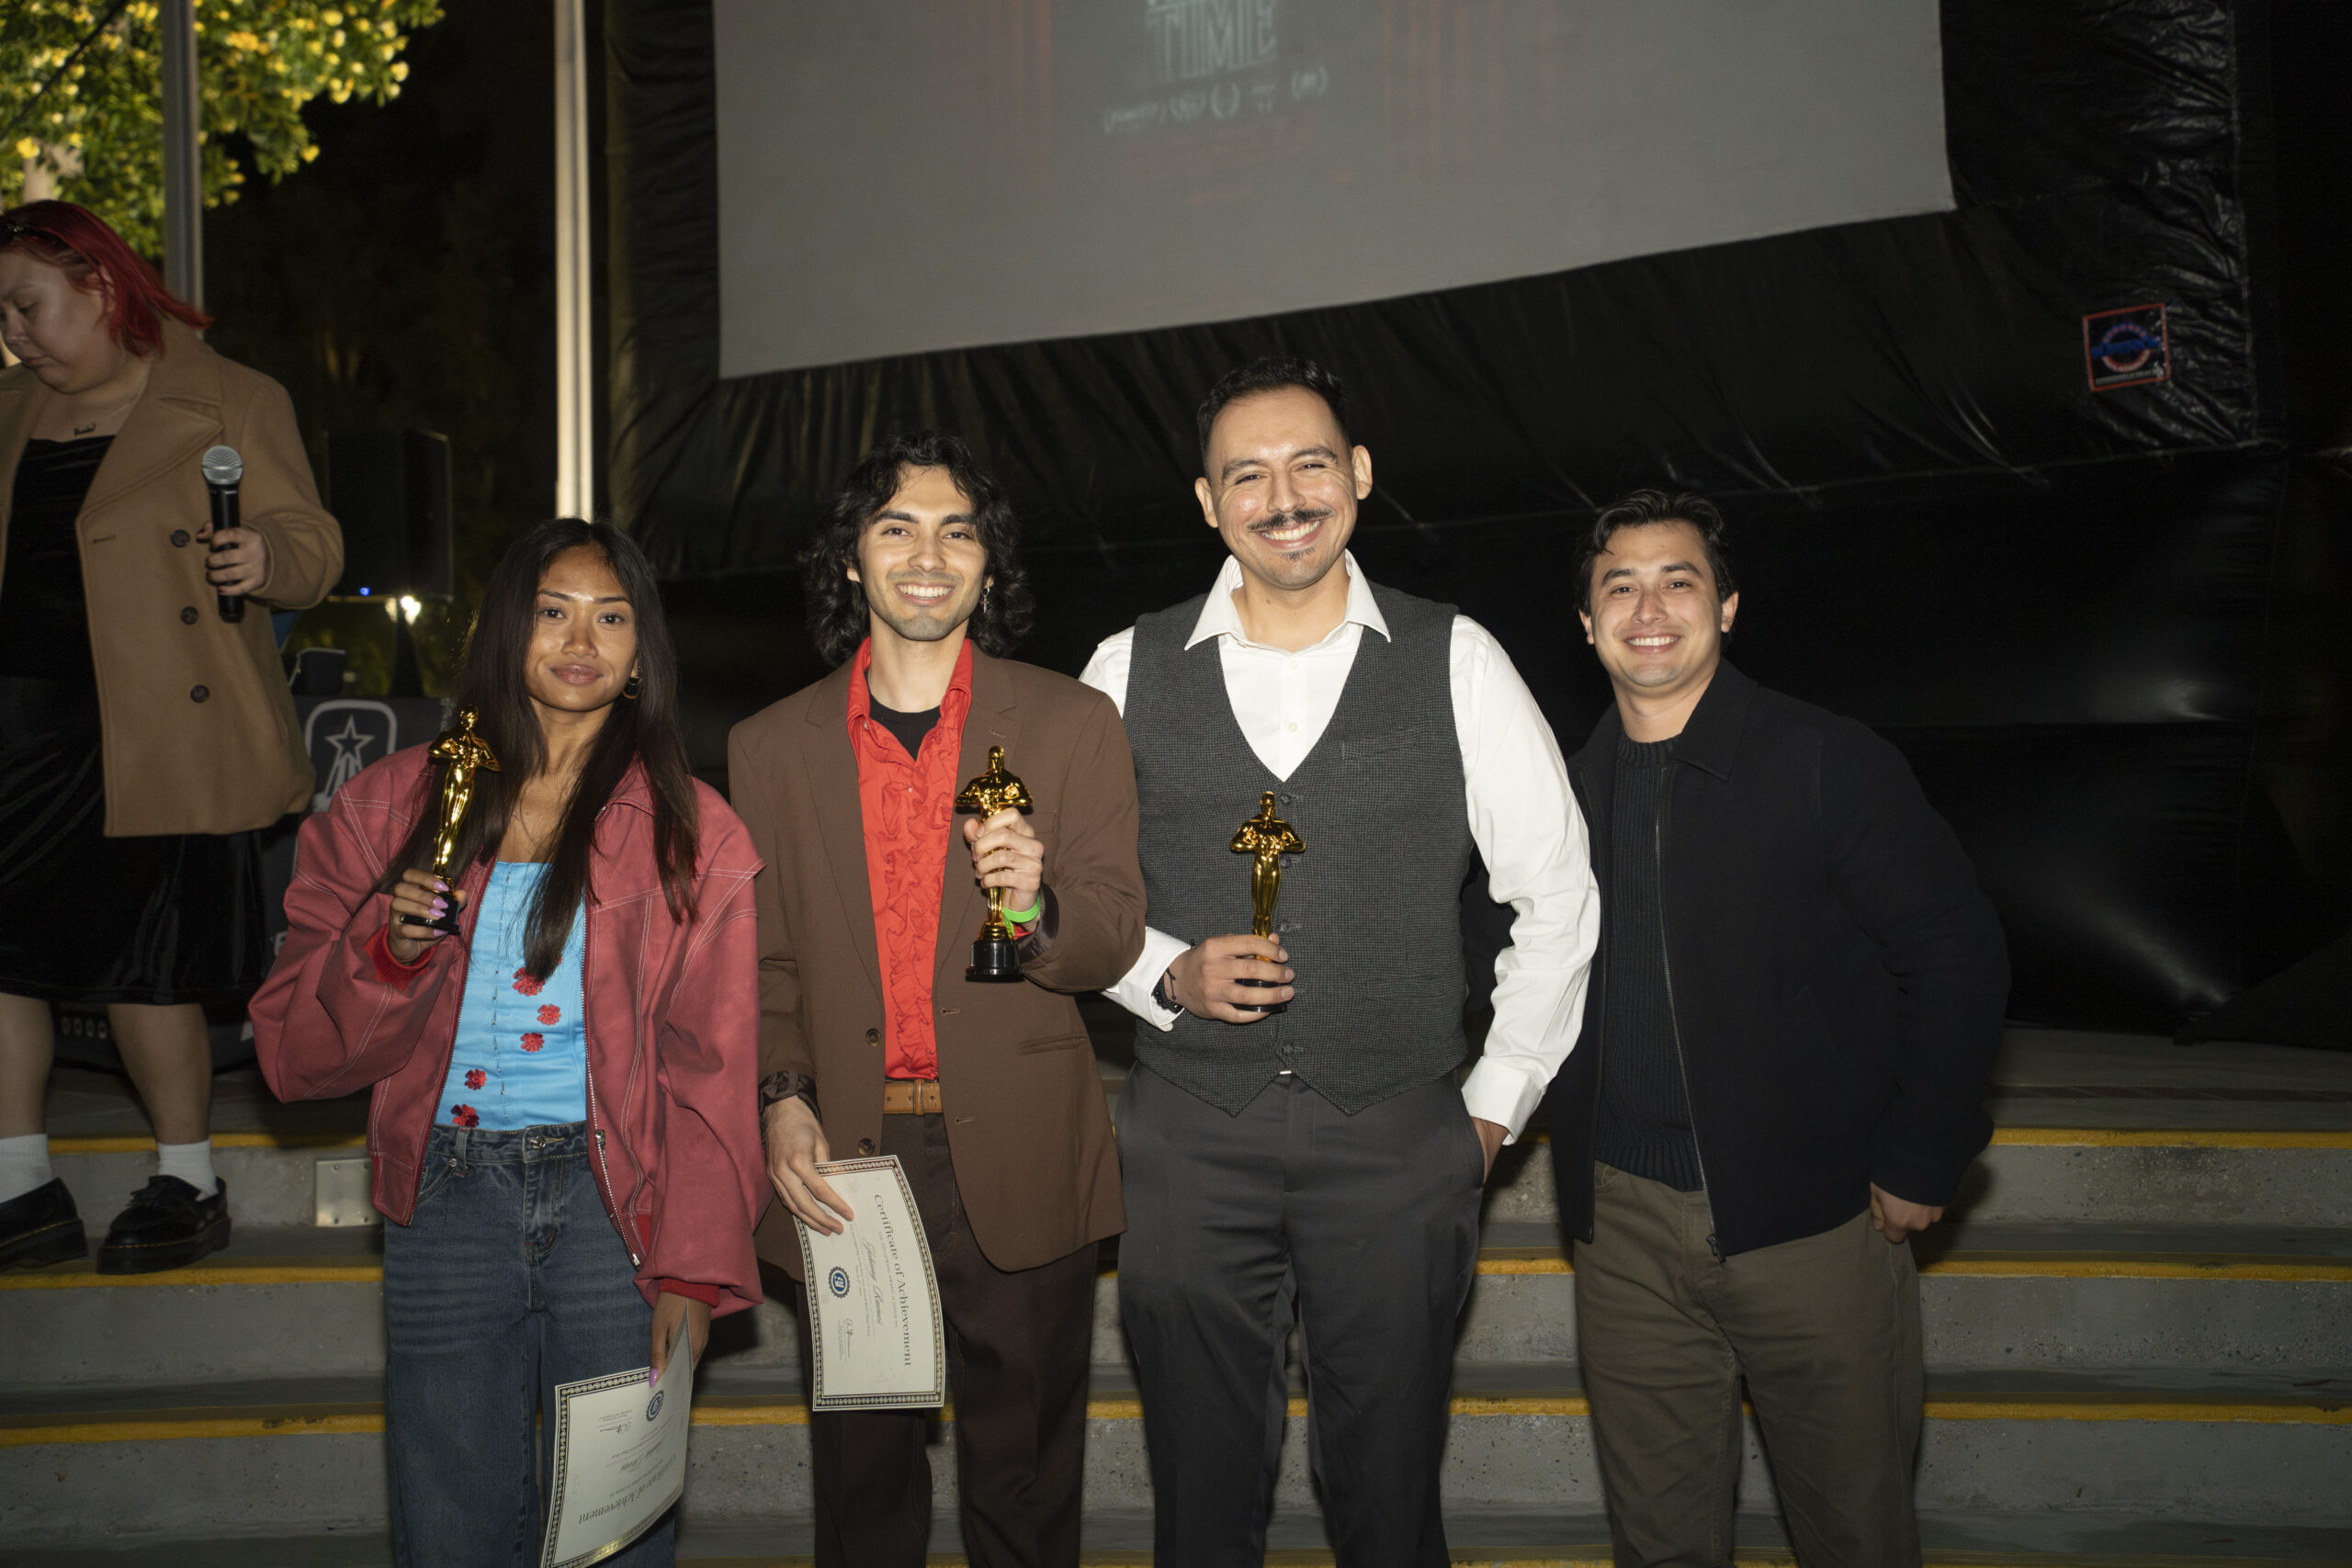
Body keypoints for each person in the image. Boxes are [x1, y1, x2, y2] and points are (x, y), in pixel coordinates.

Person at [1081, 357, 1600, 1565]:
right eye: (1246, 473)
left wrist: (1491, 1105)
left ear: (1359, 476)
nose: (1284, 495)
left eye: (1310, 462)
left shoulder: (1455, 655)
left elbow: (1558, 888)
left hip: (1399, 1135)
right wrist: (1162, 972)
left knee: (1388, 1490)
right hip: (1189, 1136)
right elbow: (1045, 892)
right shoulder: (1126, 666)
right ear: (1208, 504)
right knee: (1200, 1502)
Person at [250, 520, 766, 1567]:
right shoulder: (391, 802)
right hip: (444, 1199)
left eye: (611, 617)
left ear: (639, 655)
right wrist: (385, 956)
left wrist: (694, 1268)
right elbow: (293, 1054)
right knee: (452, 1526)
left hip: (613, 1207)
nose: (583, 637)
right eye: (553, 609)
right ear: (503, 629)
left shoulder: (692, 829)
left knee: (612, 1533)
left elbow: (713, 1067)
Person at [1541, 490, 2008, 1567]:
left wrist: (1921, 1151)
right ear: (1585, 624)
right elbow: (1493, 965)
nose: (1647, 606)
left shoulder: (1825, 761)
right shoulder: (1558, 793)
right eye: (1619, 585)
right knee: (1659, 1546)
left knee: (1854, 1534)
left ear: (1729, 607)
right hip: (1622, 1235)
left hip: (1817, 1225)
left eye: (1679, 580)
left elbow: (1955, 952)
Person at [729, 433, 1145, 1567]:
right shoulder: (768, 748)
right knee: (864, 1493)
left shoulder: (1070, 724)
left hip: (1017, 1150)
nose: (928, 553)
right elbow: (763, 965)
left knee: (1025, 1483)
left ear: (989, 566)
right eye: (896, 527)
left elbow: (1109, 936)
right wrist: (781, 1097)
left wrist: (1033, 905)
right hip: (850, 1163)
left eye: (958, 530)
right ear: (851, 562)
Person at [0, 200, 342, 1274]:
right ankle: (21, 1183)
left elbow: (312, 544)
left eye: (27, 305)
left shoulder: (231, 397)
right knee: (2, 954)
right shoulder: (7, 409)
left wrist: (266, 565)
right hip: (19, 727)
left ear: (101, 287)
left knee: (148, 965)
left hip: (156, 729)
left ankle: (186, 1179)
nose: (14, 332)